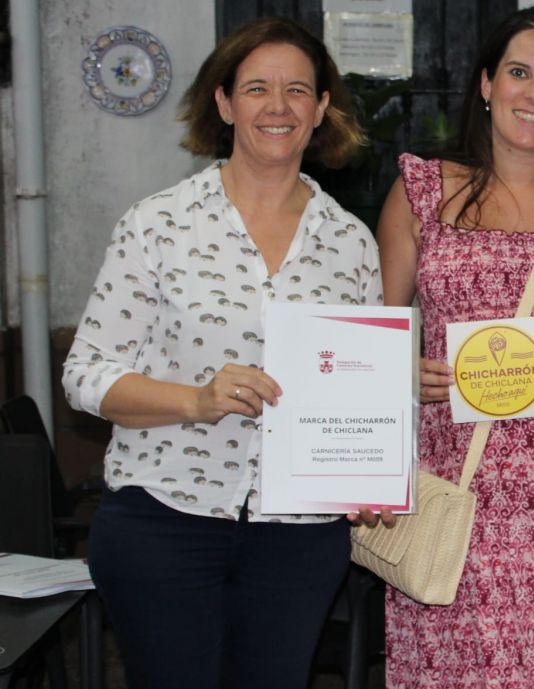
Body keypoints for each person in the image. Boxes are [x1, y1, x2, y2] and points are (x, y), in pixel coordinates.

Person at [61, 18, 380, 689]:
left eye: (298, 90)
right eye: (257, 87)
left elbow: (362, 389)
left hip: (297, 536)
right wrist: (195, 400)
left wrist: (371, 475)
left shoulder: (350, 242)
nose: (278, 105)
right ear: (225, 102)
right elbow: (85, 376)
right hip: (164, 521)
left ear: (322, 108)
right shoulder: (158, 223)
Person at [358, 6, 534, 687]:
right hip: (457, 493)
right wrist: (402, 373)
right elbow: (377, 336)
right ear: (486, 83)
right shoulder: (421, 191)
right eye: (519, 72)